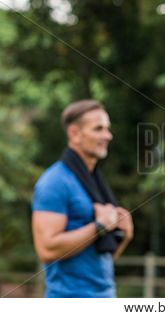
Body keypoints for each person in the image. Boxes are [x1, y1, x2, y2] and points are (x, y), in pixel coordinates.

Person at [32, 99, 134, 297]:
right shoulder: (55, 182)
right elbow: (46, 250)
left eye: (107, 128)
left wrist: (124, 236)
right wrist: (99, 226)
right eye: (98, 129)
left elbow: (101, 260)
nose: (108, 135)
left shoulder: (94, 182)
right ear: (74, 133)